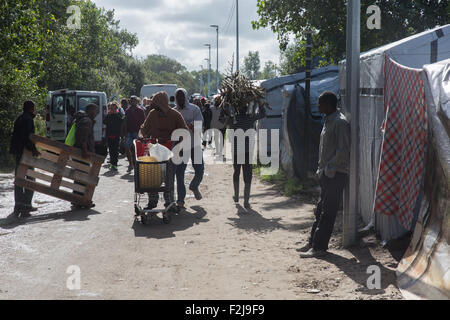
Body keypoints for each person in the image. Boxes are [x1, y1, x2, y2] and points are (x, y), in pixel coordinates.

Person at [300, 91, 350, 258]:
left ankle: (319, 248)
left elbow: (343, 150)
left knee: (328, 212)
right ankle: (312, 242)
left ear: (329, 104)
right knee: (321, 209)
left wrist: (329, 168)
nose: (318, 106)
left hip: (336, 174)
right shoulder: (329, 120)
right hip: (326, 173)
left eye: (320, 104)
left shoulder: (340, 122)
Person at [139, 91, 189, 210]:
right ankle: (153, 201)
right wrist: (141, 136)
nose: (154, 107)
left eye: (156, 104)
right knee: (152, 177)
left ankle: (169, 202)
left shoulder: (175, 115)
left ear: (162, 103)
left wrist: (175, 140)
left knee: (169, 179)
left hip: (171, 151)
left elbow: (185, 131)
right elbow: (143, 129)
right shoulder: (152, 114)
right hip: (155, 151)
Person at [225, 101, 266, 210]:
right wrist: (260, 103)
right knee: (247, 173)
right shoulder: (250, 117)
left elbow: (222, 120)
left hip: (237, 150)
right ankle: (246, 201)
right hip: (247, 150)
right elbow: (263, 114)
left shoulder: (233, 118)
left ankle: (237, 195)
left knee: (236, 171)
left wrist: (225, 107)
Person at [173, 88, 204, 208]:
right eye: (178, 96)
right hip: (181, 147)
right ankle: (180, 200)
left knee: (200, 170)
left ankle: (194, 185)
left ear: (186, 97)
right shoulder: (173, 111)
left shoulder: (194, 109)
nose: (180, 98)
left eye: (182, 96)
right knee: (179, 174)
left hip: (194, 144)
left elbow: (200, 125)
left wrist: (191, 126)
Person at [10, 100, 41, 218]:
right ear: (32, 108)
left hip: (18, 152)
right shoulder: (28, 119)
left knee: (20, 178)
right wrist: (34, 150)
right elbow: (26, 137)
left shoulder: (20, 118)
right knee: (30, 179)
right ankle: (26, 206)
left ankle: (19, 205)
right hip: (25, 153)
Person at [72, 103, 99, 209]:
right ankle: (80, 200)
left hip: (80, 152)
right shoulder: (86, 121)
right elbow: (83, 137)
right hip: (82, 153)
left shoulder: (83, 120)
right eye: (96, 111)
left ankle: (77, 199)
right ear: (91, 110)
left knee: (79, 176)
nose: (97, 113)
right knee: (82, 177)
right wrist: (84, 150)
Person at [124, 95, 146, 172]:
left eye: (134, 100)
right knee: (126, 147)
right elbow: (125, 122)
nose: (133, 101)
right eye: (132, 100)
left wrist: (142, 133)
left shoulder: (140, 110)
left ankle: (138, 164)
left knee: (137, 149)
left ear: (137, 101)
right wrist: (124, 132)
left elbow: (144, 122)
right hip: (129, 132)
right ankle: (130, 164)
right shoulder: (127, 111)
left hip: (138, 132)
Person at [103, 101, 124, 171]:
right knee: (111, 151)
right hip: (109, 135)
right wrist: (108, 114)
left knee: (115, 151)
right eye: (111, 108)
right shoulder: (108, 116)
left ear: (116, 109)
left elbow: (122, 121)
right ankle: (112, 163)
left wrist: (116, 113)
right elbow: (104, 122)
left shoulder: (119, 115)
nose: (111, 110)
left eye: (113, 108)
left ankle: (115, 164)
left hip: (116, 136)